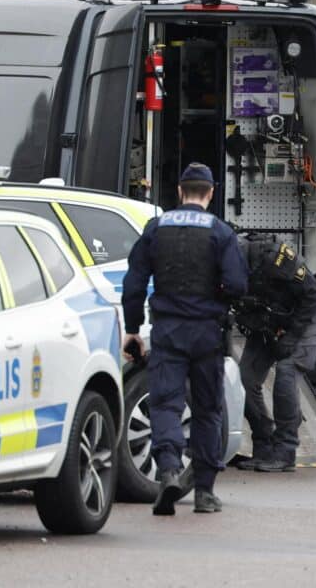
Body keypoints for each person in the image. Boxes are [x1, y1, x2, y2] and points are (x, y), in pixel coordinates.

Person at [122, 162, 247, 515]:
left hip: (167, 330)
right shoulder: (220, 232)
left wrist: (133, 330)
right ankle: (205, 492)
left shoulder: (156, 228)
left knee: (166, 404)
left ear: (179, 191)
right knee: (208, 409)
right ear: (210, 193)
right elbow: (238, 284)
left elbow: (133, 284)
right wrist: (218, 296)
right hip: (207, 332)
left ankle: (168, 471)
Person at [234, 233, 316, 472]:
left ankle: (285, 451)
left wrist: (293, 335)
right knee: (245, 379)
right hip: (267, 321)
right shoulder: (222, 265)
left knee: (286, 372)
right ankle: (263, 444)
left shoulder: (274, 257)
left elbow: (314, 294)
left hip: (304, 317)